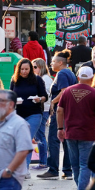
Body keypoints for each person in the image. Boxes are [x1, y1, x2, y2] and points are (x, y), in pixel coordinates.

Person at [57, 67, 95, 190]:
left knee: (75, 165)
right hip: (87, 134)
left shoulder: (67, 91)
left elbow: (59, 111)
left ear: (78, 77)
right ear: (92, 79)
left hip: (70, 133)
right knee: (85, 165)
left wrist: (60, 128)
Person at [39, 51, 76, 180]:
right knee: (66, 140)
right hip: (69, 111)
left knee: (54, 139)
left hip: (61, 111)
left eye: (53, 61)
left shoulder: (62, 73)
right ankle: (67, 170)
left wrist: (53, 102)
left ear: (61, 63)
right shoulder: (69, 73)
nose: (51, 63)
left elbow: (64, 91)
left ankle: (53, 169)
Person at [9, 59, 48, 170]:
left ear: (30, 69)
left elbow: (45, 96)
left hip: (34, 113)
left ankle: (24, 169)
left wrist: (39, 99)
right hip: (18, 114)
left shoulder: (37, 80)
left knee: (26, 139)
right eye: (22, 69)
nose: (24, 71)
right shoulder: (14, 80)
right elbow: (10, 95)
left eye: (26, 69)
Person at [32, 59, 54, 171]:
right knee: (39, 135)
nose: (33, 69)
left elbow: (46, 95)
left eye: (35, 67)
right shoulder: (42, 78)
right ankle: (43, 161)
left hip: (43, 109)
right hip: (42, 109)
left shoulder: (45, 79)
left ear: (41, 67)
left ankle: (43, 162)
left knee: (40, 135)